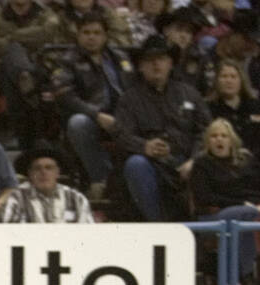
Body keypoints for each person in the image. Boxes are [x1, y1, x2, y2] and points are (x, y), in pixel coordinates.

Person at [115, 32, 210, 219]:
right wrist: (144, 146)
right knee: (136, 164)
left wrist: (194, 160)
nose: (156, 64)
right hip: (152, 164)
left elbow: (206, 130)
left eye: (161, 59)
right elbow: (120, 133)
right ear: (141, 66)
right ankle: (158, 225)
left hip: (187, 161)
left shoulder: (190, 94)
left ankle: (204, 229)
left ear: (170, 63)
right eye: (149, 60)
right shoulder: (129, 99)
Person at [51, 11, 130, 199]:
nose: (91, 37)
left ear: (105, 36)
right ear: (78, 35)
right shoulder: (66, 60)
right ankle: (101, 178)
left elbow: (134, 89)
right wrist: (96, 115)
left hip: (123, 115)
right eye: (86, 33)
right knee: (78, 123)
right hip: (91, 118)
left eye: (97, 33)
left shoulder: (120, 57)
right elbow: (65, 96)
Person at [0, 0, 65, 148]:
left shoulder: (45, 14)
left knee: (18, 55)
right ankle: (25, 77)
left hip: (41, 68)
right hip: (3, 71)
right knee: (14, 53)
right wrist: (29, 38)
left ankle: (26, 79)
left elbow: (49, 33)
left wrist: (12, 37)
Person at [191, 117, 260, 285]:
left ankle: (235, 282)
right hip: (211, 216)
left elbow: (254, 190)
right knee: (248, 214)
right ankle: (241, 279)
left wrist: (251, 203)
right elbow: (205, 197)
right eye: (214, 136)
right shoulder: (201, 164)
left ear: (232, 140)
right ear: (208, 141)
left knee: (246, 219)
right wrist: (242, 203)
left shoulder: (244, 163)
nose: (219, 140)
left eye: (224, 136)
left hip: (244, 213)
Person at [2, 141, 95, 221]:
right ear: (30, 174)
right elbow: (9, 234)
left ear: (58, 172)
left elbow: (88, 234)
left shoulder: (76, 199)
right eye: (37, 168)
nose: (43, 172)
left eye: (49, 168)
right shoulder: (17, 198)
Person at [205, 58, 260, 154]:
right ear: (217, 81)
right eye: (224, 76)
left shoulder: (256, 106)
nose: (229, 81)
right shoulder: (208, 108)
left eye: (233, 77)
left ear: (241, 80)